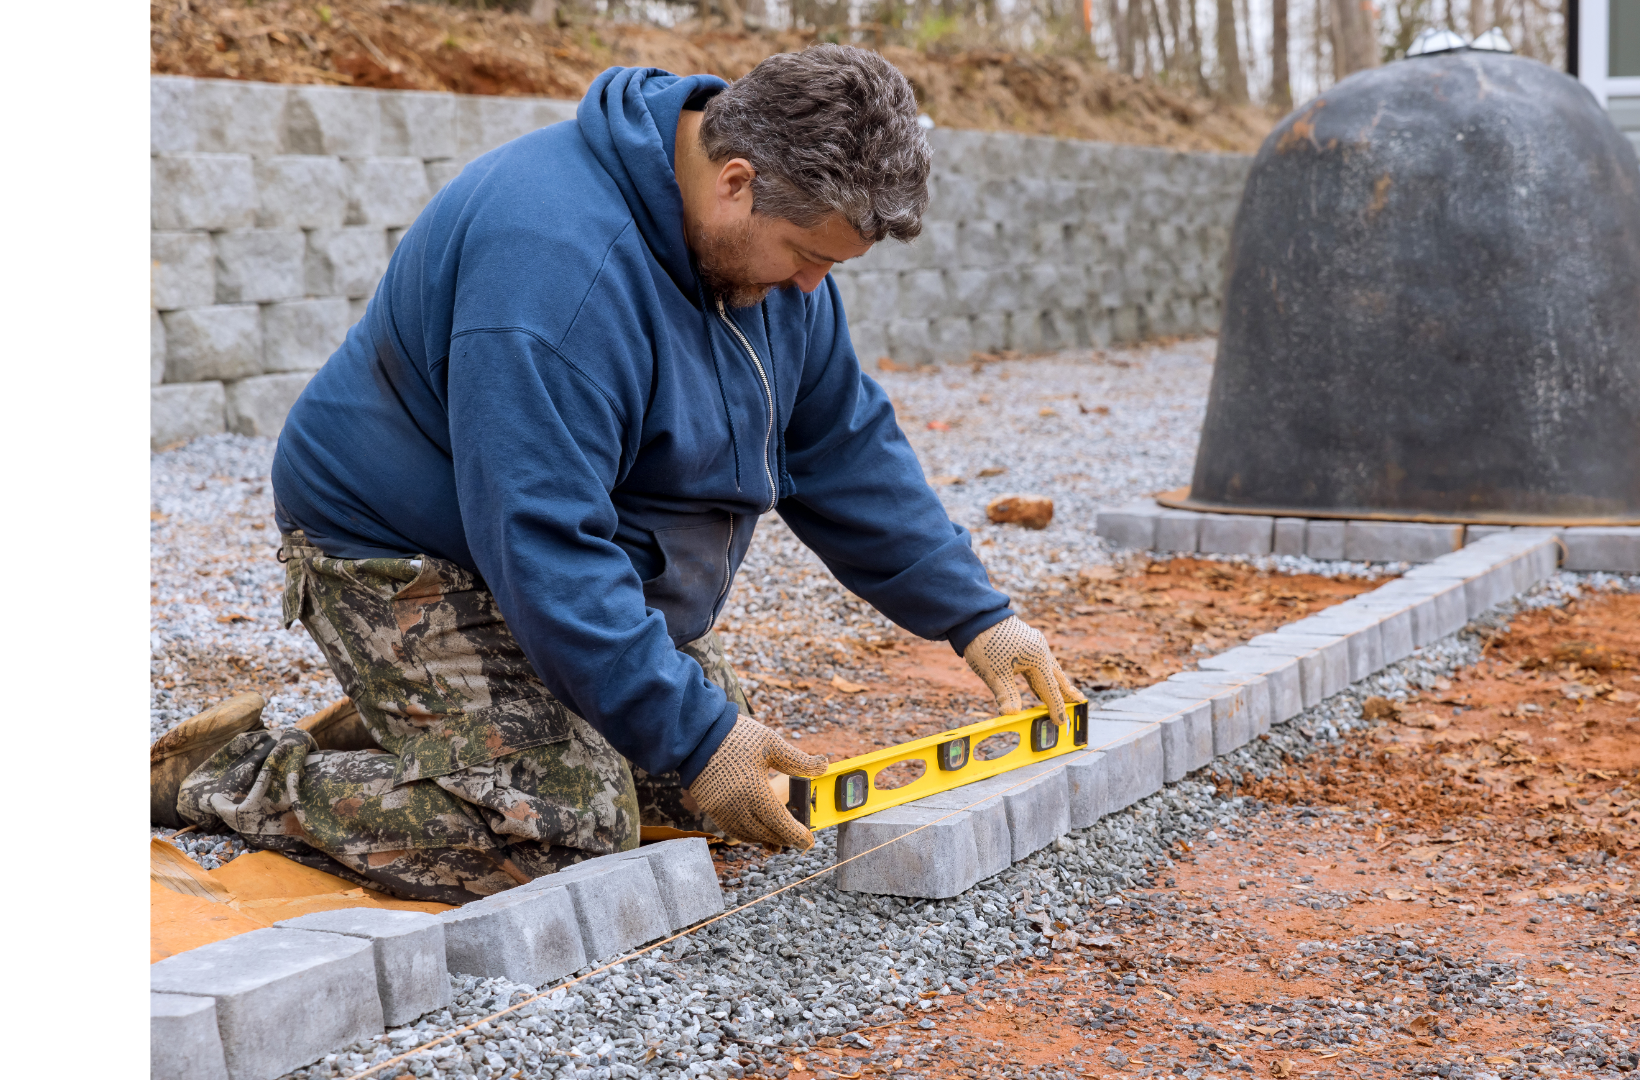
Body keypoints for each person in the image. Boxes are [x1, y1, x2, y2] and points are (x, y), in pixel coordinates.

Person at [148, 46, 1085, 904]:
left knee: (723, 782)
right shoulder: (557, 269)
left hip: (548, 546)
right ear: (736, 181)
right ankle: (237, 773)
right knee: (563, 831)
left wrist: (979, 619)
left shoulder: (765, 261)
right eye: (808, 257)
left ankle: (446, 710)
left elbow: (841, 447)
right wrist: (695, 734)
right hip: (401, 545)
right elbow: (541, 538)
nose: (812, 289)